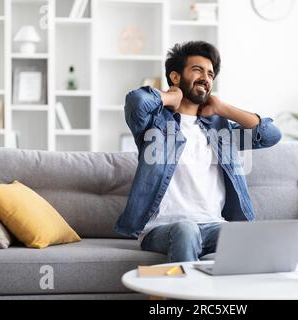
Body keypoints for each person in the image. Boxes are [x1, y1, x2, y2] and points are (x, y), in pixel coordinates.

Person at [114, 41, 282, 262]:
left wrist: (222, 109)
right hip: (164, 229)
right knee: (186, 230)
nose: (206, 77)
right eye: (197, 70)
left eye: (211, 74)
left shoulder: (221, 131)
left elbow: (271, 134)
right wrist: (171, 97)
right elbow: (136, 102)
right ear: (175, 77)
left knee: (253, 237)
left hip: (214, 225)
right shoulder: (154, 124)